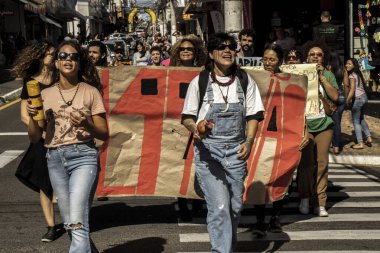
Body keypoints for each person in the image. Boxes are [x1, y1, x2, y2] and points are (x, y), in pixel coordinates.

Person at [181, 32, 264, 252]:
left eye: (231, 47)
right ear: (211, 53)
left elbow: (254, 115)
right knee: (219, 208)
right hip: (209, 154)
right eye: (221, 47)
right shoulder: (199, 82)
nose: (227, 51)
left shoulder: (246, 80)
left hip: (236, 152)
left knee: (235, 208)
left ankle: (228, 246)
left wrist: (249, 140)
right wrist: (196, 130)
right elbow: (187, 118)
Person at [27, 40, 109, 252]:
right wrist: (32, 118)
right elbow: (35, 137)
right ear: (56, 63)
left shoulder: (90, 92)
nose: (68, 60)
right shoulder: (44, 95)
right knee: (71, 224)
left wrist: (86, 124)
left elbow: (104, 132)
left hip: (84, 156)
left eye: (73, 57)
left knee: (77, 221)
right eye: (63, 56)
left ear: (79, 63)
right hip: (55, 158)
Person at [251, 44, 309, 236]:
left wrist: (304, 132)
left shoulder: (290, 82)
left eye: (272, 59)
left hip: (284, 136)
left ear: (280, 62)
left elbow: (299, 111)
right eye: (265, 59)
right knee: (258, 177)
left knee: (281, 177)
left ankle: (275, 218)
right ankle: (259, 221)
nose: (268, 63)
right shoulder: (252, 79)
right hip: (258, 135)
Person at [12, 41, 64, 243]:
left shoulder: (61, 78)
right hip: (42, 140)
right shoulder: (31, 82)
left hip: (63, 136)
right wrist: (43, 135)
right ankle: (51, 227)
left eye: (55, 53)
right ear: (41, 57)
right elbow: (24, 116)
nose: (54, 57)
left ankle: (72, 221)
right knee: (45, 184)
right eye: (51, 54)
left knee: (65, 183)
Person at [298, 40, 339, 217]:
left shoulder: (328, 74)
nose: (315, 56)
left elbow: (336, 97)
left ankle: (320, 201)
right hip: (304, 124)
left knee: (322, 163)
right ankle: (305, 198)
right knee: (306, 164)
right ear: (306, 57)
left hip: (324, 124)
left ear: (324, 57)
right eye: (312, 54)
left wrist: (322, 77)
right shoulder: (299, 73)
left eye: (319, 54)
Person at [170, 34, 208, 222]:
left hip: (199, 122)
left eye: (190, 49)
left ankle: (198, 202)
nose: (186, 51)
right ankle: (183, 203)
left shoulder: (204, 73)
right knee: (179, 165)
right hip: (176, 125)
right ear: (178, 52)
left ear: (196, 53)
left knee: (198, 163)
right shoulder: (168, 73)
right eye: (183, 49)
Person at [345, 58, 373, 149]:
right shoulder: (358, 74)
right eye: (346, 64)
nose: (346, 65)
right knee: (361, 118)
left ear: (354, 65)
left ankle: (360, 143)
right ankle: (368, 137)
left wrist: (347, 100)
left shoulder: (352, 75)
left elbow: (352, 90)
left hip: (358, 99)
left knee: (356, 122)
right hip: (364, 97)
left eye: (349, 64)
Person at [327, 50, 348, 154]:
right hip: (342, 95)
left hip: (333, 96)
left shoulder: (328, 68)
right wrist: (347, 98)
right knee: (338, 122)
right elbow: (346, 84)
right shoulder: (343, 69)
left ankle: (334, 145)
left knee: (333, 122)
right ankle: (336, 145)